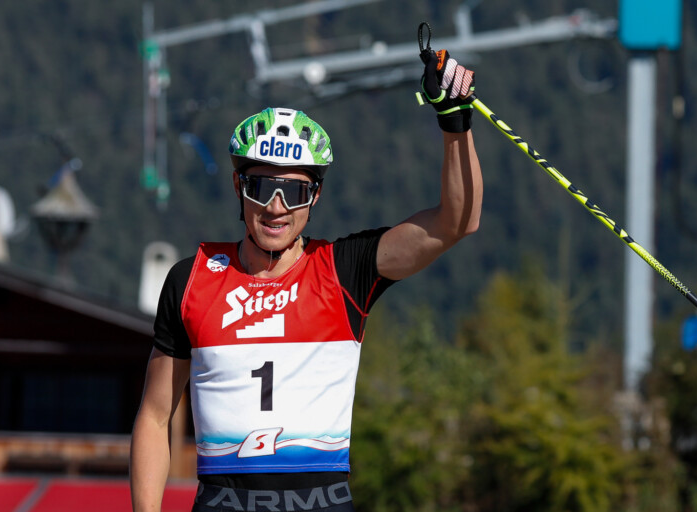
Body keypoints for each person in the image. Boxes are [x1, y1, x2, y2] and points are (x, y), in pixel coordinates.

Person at [130, 46, 482, 512]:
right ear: (239, 187)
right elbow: (155, 418)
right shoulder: (190, 279)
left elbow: (456, 221)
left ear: (315, 196)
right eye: (261, 187)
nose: (276, 207)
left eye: (294, 191)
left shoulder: (344, 269)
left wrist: (454, 124)